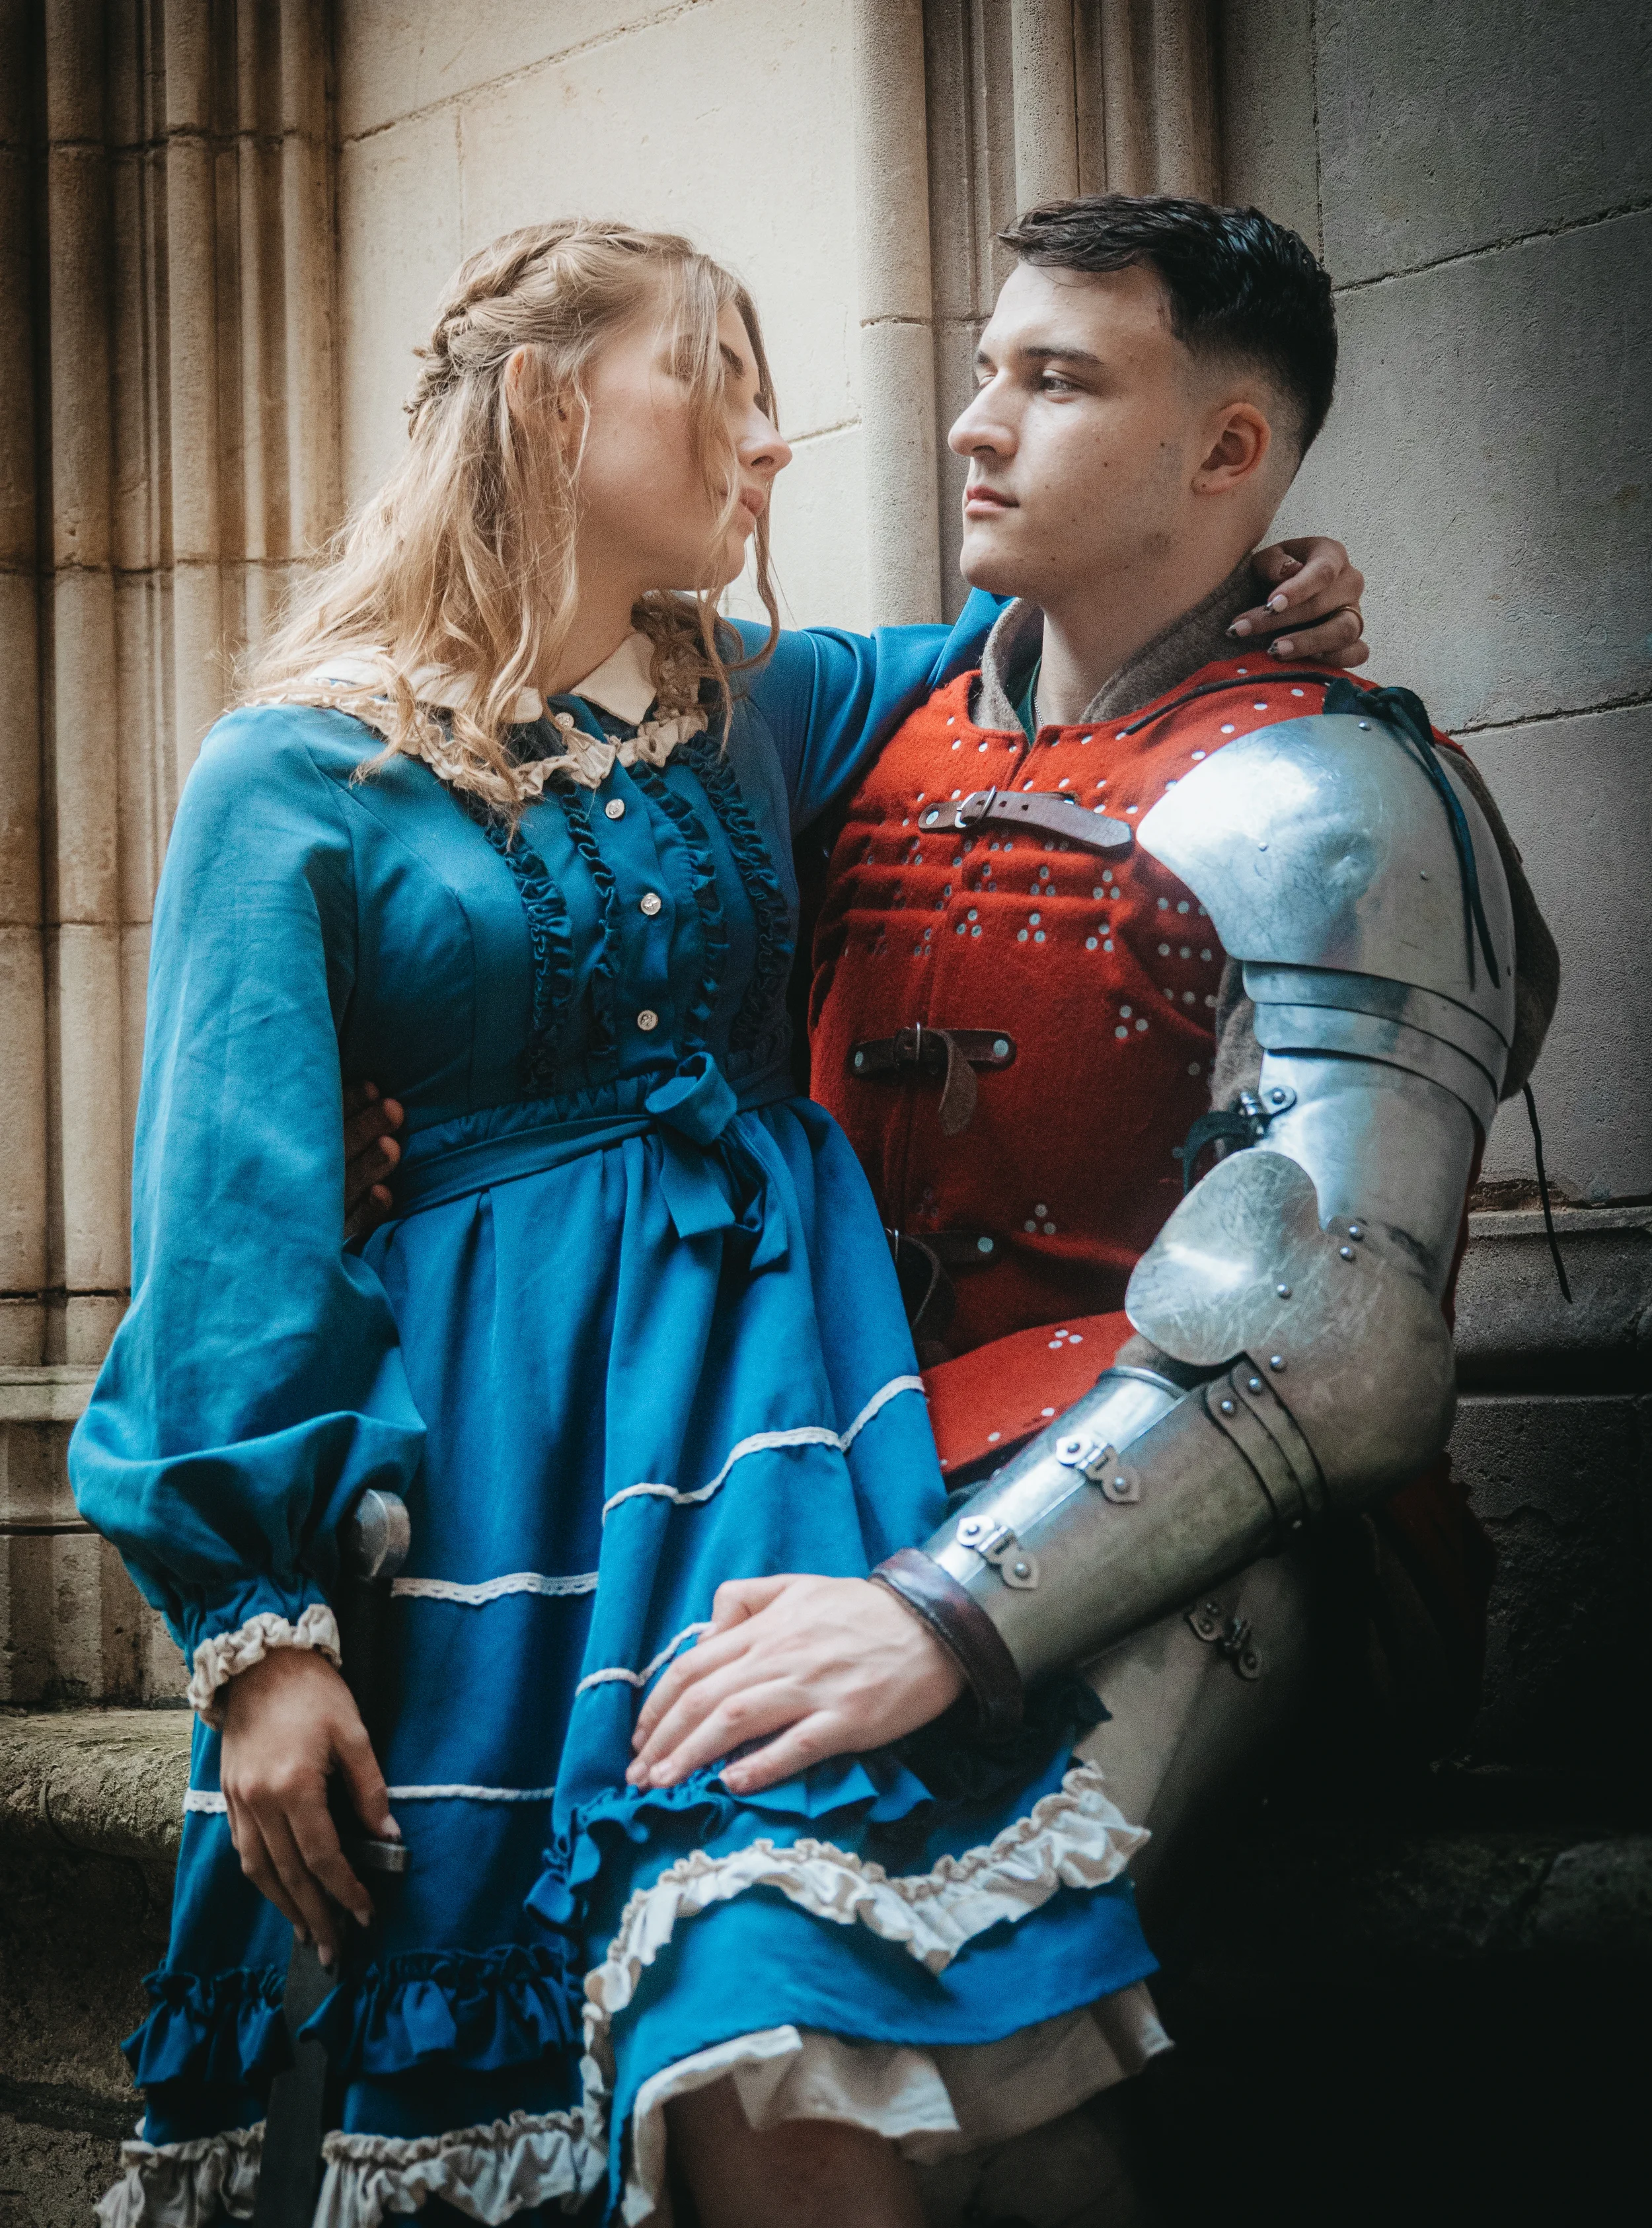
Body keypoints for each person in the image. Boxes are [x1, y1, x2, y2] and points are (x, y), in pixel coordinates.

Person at [69, 217, 1370, 2228]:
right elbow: (229, 1215)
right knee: (634, 2048)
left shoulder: (763, 709)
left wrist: (1272, 573)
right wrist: (253, 1646)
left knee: (867, 1991)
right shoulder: (294, 773)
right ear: (544, 402)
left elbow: (1046, 643)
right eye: (719, 379)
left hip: (771, 1424)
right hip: (492, 1467)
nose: (774, 444)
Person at [612, 196, 1558, 2202]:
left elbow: (1335, 1354)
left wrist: (946, 1615)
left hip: (1225, 1542)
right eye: (984, 367)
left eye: (1055, 381)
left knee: (882, 2011)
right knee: (680, 1993)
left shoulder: (1338, 790)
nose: (974, 422)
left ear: (1229, 454)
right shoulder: (855, 730)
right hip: (839, 1479)